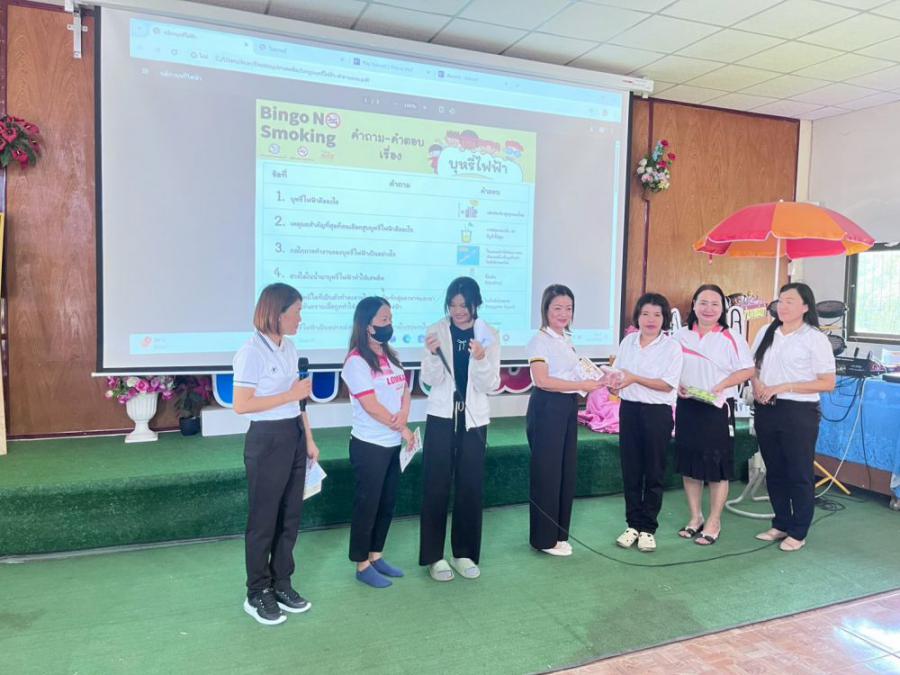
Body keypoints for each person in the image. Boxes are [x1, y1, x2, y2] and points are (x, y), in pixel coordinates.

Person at [232, 283, 319, 626]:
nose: (300, 318)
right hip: (266, 439)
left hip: (293, 434)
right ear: (276, 313)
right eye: (296, 312)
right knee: (263, 520)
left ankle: (282, 582)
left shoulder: (290, 348)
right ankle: (257, 592)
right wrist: (289, 395)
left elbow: (299, 402)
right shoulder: (251, 352)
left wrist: (308, 439)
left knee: (290, 516)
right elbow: (242, 405)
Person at [419, 277, 501, 581]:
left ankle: (463, 553)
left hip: (474, 420)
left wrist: (480, 359)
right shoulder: (435, 331)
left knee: (470, 486)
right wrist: (432, 355)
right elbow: (430, 381)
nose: (458, 311)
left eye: (464, 305)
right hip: (441, 417)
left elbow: (490, 384)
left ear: (475, 303)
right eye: (453, 305)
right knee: (436, 486)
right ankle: (434, 557)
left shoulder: (489, 334)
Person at [751, 282, 836, 552]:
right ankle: (780, 523)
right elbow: (753, 368)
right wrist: (758, 386)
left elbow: (827, 382)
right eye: (780, 300)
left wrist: (784, 386)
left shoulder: (815, 338)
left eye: (790, 301)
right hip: (767, 408)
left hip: (799, 412)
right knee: (774, 470)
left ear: (805, 307)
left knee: (798, 472)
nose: (783, 306)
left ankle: (799, 531)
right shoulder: (766, 331)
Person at [673, 284, 755, 546]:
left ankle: (714, 521)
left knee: (717, 467)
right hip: (688, 406)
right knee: (690, 465)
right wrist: (677, 384)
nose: (708, 309)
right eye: (703, 302)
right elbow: (670, 366)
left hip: (717, 407)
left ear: (723, 308)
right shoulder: (679, 335)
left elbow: (747, 370)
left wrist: (721, 386)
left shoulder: (731, 337)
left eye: (715, 304)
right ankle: (695, 517)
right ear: (694, 304)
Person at [526, 284, 604, 556]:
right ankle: (543, 539)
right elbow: (542, 380)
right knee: (547, 473)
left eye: (568, 308)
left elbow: (574, 374)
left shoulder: (564, 339)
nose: (563, 313)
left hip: (567, 406)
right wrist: (582, 384)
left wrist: (599, 378)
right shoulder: (540, 340)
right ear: (545, 309)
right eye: (557, 308)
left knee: (564, 471)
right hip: (547, 407)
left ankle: (559, 534)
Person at [341, 297, 414, 588]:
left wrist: (404, 415)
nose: (389, 324)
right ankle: (361, 565)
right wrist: (402, 427)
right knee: (367, 505)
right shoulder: (356, 361)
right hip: (369, 445)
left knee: (386, 502)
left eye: (390, 319)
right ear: (367, 325)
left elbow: (405, 389)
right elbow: (370, 405)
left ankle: (376, 555)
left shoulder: (391, 355)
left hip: (392, 442)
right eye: (383, 320)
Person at [611, 293, 683, 553]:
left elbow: (667, 385)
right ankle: (632, 524)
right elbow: (619, 375)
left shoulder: (671, 347)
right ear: (637, 317)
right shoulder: (628, 342)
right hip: (629, 410)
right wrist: (613, 382)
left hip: (657, 413)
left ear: (664, 318)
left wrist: (634, 378)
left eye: (656, 314)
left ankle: (648, 528)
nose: (650, 319)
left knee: (654, 471)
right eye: (645, 314)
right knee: (630, 470)